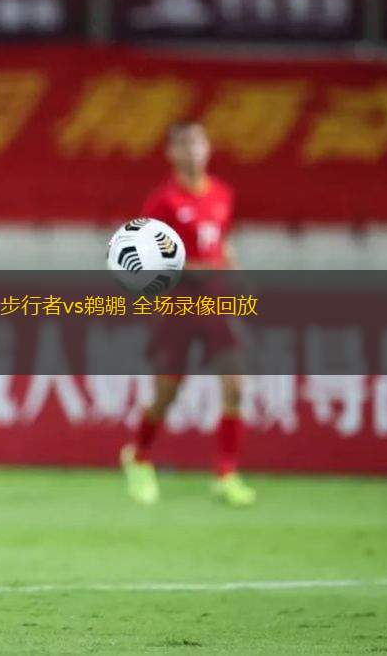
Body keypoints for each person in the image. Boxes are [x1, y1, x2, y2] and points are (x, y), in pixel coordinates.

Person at [120, 122, 256, 507]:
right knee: (167, 393)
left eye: (198, 142)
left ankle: (227, 474)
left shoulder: (222, 195)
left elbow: (221, 244)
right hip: (177, 308)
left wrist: (236, 273)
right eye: (183, 145)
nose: (192, 151)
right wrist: (194, 269)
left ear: (208, 148)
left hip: (214, 306)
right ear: (171, 153)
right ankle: (139, 457)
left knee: (236, 385)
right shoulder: (163, 202)